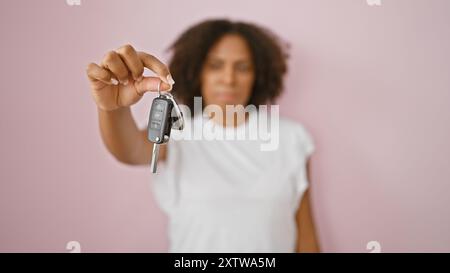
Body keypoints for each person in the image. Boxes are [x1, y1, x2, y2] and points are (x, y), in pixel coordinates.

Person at [86, 19, 320, 253]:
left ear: (257, 75)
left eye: (242, 67)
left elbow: (306, 235)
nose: (228, 79)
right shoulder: (179, 129)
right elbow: (129, 149)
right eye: (215, 65)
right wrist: (113, 107)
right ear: (197, 72)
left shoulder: (291, 138)